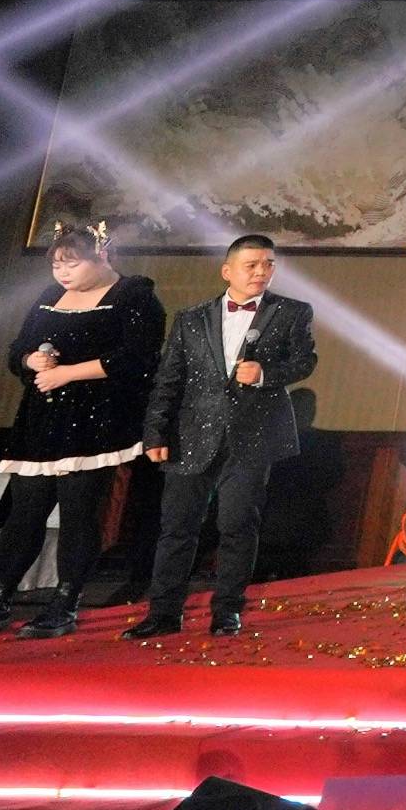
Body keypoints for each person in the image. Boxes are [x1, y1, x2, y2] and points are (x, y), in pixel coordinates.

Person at [0, 220, 163, 638]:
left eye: (72, 264)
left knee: (78, 514)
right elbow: (17, 350)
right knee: (25, 513)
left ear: (101, 256)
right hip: (41, 419)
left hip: (96, 420)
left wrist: (68, 373)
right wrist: (30, 361)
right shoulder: (49, 297)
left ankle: (65, 602)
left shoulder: (134, 295)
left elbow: (138, 358)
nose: (63, 273)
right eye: (57, 265)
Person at [129, 234, 317, 638]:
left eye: (268, 264)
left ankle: (227, 610)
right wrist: (155, 433)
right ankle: (163, 613)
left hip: (252, 435)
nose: (261, 271)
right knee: (177, 527)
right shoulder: (191, 318)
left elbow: (305, 361)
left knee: (238, 525)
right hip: (191, 434)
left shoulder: (291, 312)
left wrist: (266, 374)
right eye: (252, 265)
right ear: (227, 271)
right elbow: (169, 379)